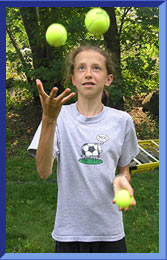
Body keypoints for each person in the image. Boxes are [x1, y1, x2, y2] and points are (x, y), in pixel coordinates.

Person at [28, 44, 139, 253]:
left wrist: (122, 178)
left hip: (110, 232)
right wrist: (48, 120)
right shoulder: (56, 117)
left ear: (108, 79)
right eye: (81, 68)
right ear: (73, 78)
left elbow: (124, 169)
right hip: (69, 232)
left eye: (96, 68)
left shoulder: (122, 121)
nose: (88, 74)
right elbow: (43, 172)